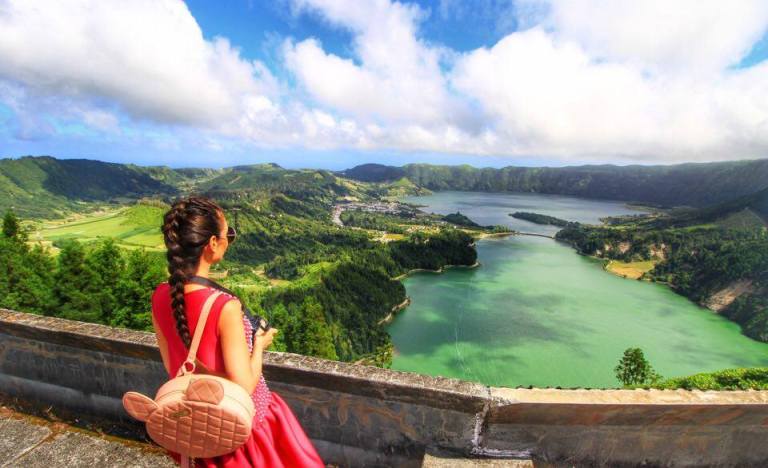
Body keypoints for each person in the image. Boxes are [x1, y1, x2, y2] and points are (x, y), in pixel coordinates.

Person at [151, 196, 325, 467]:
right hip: (238, 424)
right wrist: (259, 346)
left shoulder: (160, 295)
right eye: (228, 234)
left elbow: (172, 365)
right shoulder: (224, 306)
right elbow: (245, 385)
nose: (229, 240)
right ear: (211, 244)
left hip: (195, 425)